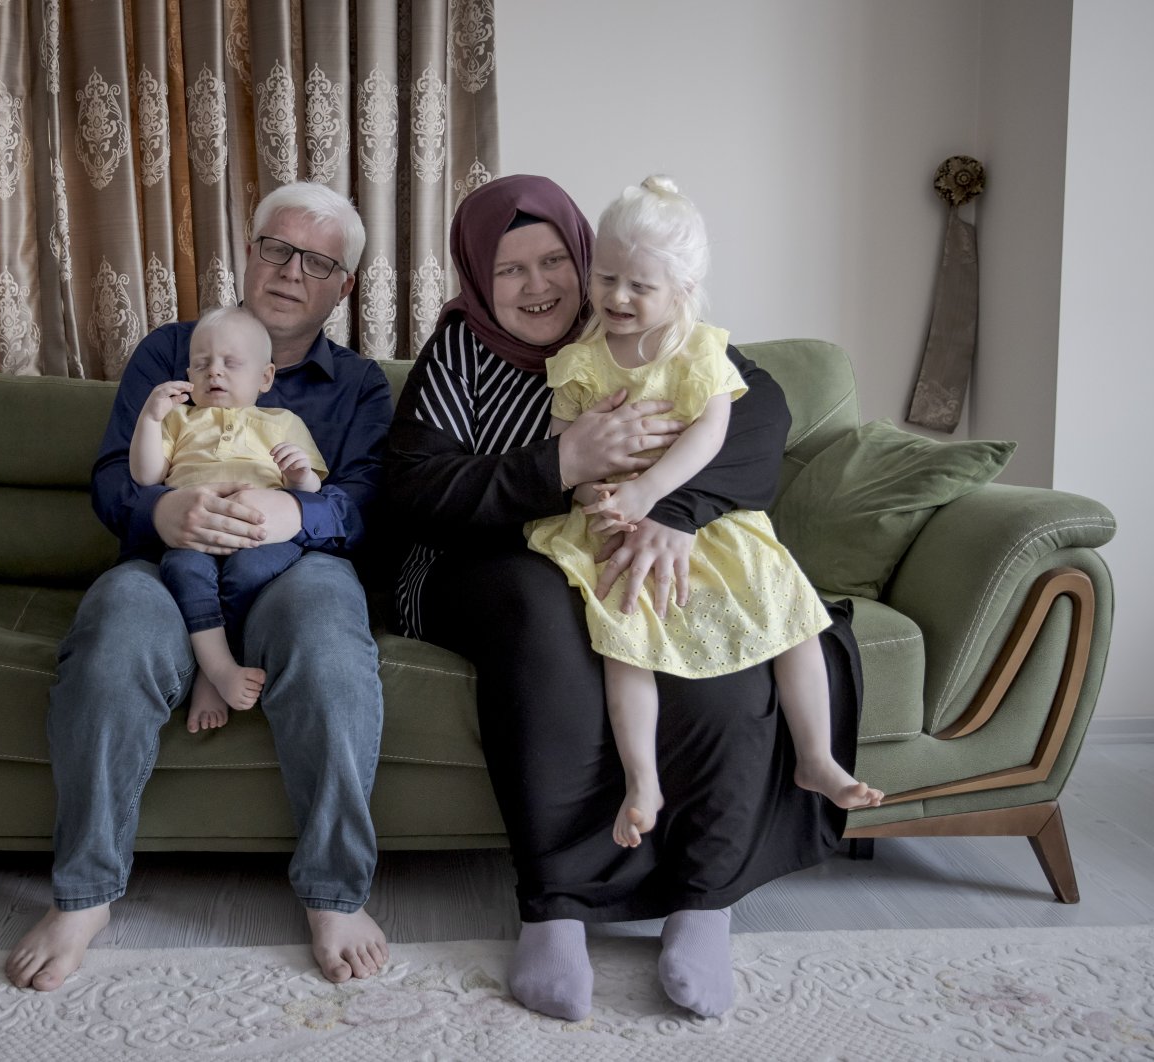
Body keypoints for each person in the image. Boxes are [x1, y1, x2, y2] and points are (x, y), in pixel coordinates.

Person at [385, 175, 864, 1021]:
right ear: (474, 277)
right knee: (544, 620)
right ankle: (555, 912)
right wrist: (561, 463)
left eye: (553, 261)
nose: (537, 286)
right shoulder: (457, 354)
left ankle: (703, 900)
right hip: (482, 557)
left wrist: (673, 517)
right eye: (508, 270)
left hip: (618, 539)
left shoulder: (641, 325)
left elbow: (756, 414)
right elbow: (416, 493)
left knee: (712, 634)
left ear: (587, 258)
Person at [6, 181, 393, 992]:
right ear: (248, 252)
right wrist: (168, 508)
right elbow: (115, 481)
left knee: (328, 632)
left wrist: (296, 516)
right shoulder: (169, 353)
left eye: (317, 261)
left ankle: (333, 893)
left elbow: (367, 505)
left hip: (297, 567)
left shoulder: (359, 386)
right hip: (165, 564)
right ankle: (84, 894)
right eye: (275, 248)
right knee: (114, 625)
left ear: (343, 285)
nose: (290, 271)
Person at [525, 176, 883, 850]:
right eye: (605, 278)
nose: (617, 297)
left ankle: (816, 757)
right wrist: (590, 494)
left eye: (640, 286)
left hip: (695, 512)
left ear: (684, 291)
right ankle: (642, 781)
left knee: (796, 616)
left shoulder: (696, 350)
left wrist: (652, 490)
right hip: (613, 517)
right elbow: (560, 445)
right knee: (622, 638)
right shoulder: (578, 360)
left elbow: (710, 435)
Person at [129, 306, 328, 732]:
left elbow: (309, 496)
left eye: (230, 364)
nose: (214, 373)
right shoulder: (180, 420)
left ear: (265, 378)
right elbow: (145, 476)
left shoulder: (281, 422)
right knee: (183, 571)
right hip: (192, 537)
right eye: (202, 365)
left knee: (249, 574)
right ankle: (217, 669)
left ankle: (212, 668)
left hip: (260, 538)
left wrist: (299, 475)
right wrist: (149, 419)